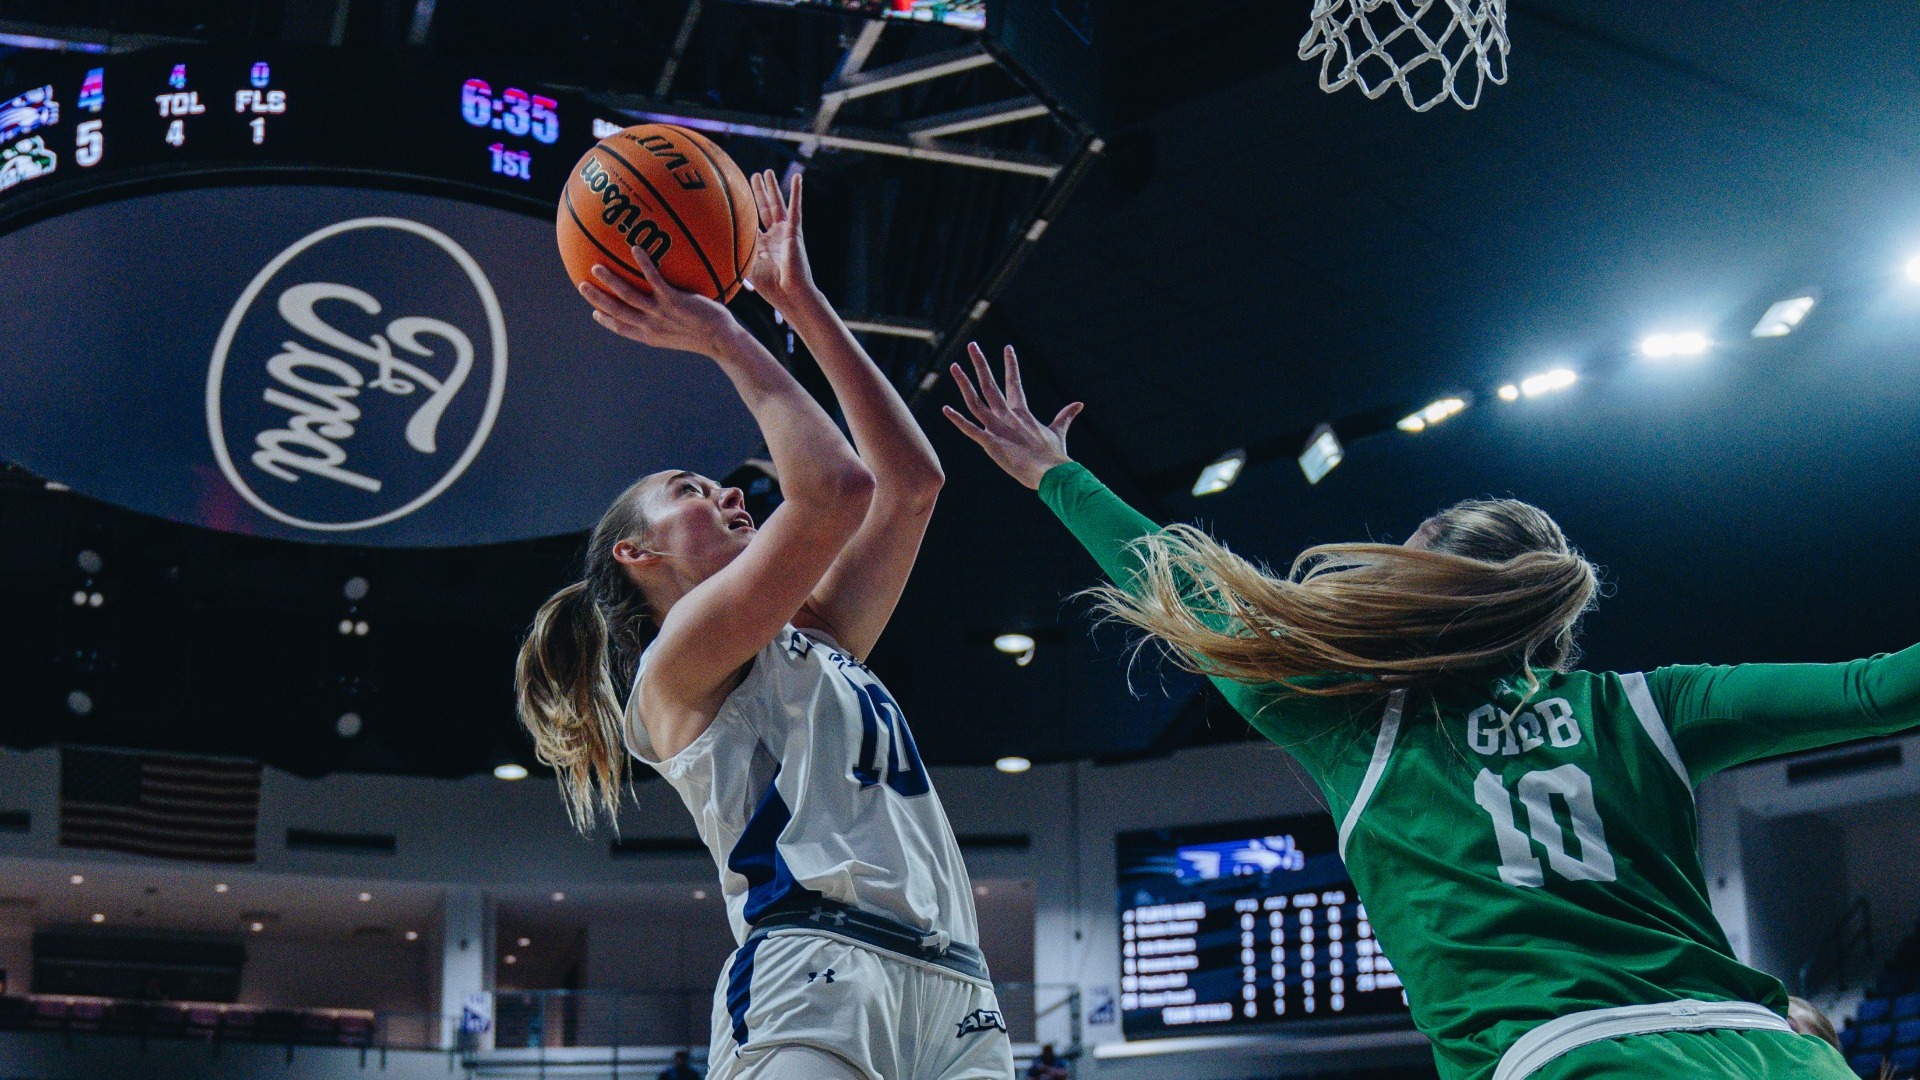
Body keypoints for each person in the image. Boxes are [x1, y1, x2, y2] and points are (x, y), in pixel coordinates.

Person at [944, 345, 1920, 1080]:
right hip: (1775, 1053)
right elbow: (1884, 686)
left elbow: (1197, 592)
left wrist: (1054, 473)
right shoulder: (1655, 706)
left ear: (1432, 592)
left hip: (1571, 1061)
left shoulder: (1351, 722)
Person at [515, 173, 1011, 1080]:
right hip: (813, 969)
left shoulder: (816, 634)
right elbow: (836, 491)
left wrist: (802, 301)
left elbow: (910, 486)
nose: (730, 491)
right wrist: (723, 334)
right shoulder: (673, 672)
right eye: (691, 493)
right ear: (638, 556)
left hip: (956, 987)